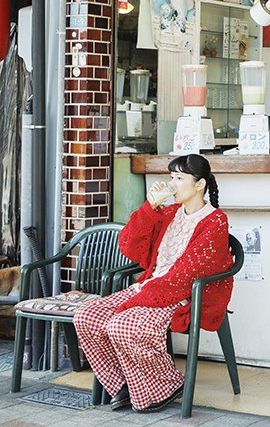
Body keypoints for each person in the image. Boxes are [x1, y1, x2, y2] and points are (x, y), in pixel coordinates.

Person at [73, 154, 233, 413]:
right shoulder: (169, 212)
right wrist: (149, 207)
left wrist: (138, 297)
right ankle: (127, 383)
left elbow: (186, 276)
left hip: (180, 295)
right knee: (86, 317)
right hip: (150, 288)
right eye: (171, 177)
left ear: (199, 184)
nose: (173, 184)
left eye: (179, 178)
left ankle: (166, 384)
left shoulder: (215, 221)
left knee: (120, 324)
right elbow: (129, 243)